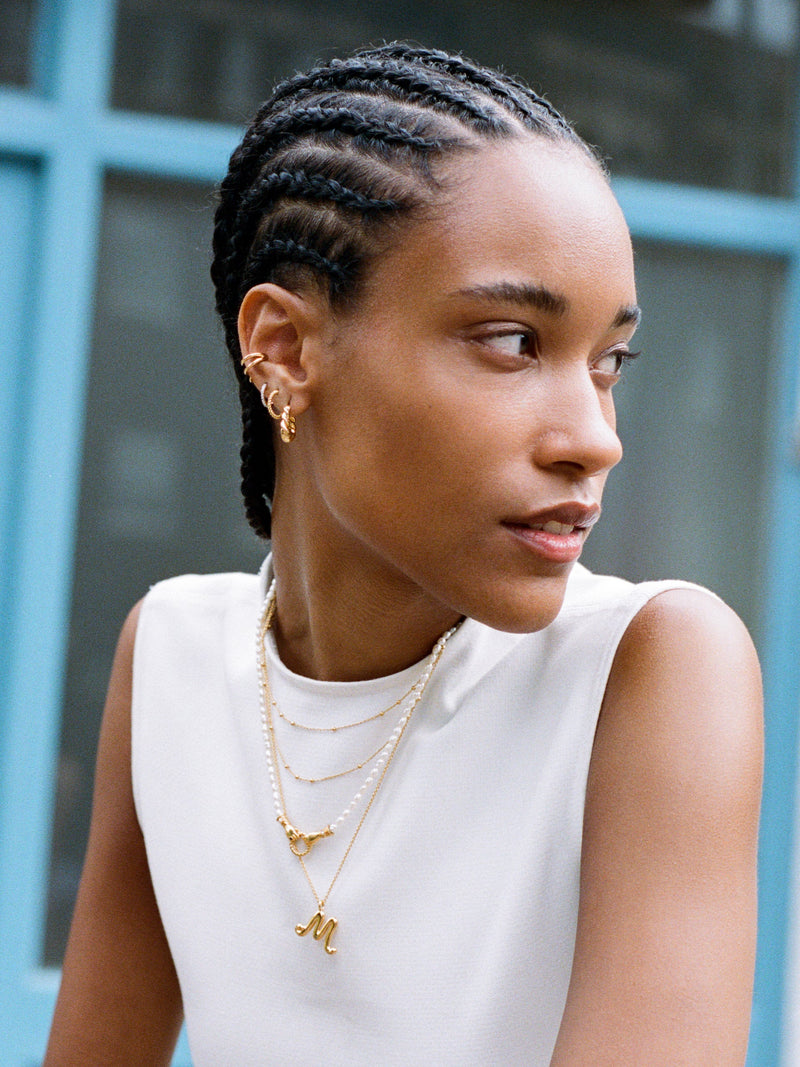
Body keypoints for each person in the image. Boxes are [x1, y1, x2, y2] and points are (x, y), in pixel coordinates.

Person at [45, 43, 763, 1066]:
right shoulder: (169, 653)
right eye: (512, 342)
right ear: (285, 348)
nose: (594, 437)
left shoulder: (648, 667)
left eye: (608, 361)